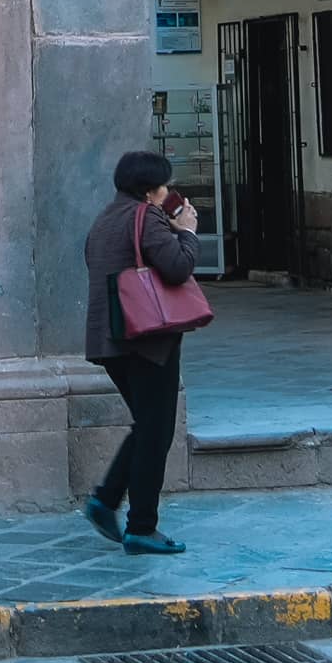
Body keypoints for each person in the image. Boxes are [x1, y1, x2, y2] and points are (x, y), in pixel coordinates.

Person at [81, 149, 202, 554]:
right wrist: (184, 230)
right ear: (150, 190)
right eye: (163, 185)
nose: (168, 191)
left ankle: (106, 500)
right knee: (157, 430)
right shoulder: (146, 216)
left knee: (148, 426)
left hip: (111, 340)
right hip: (149, 340)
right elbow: (178, 267)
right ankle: (141, 527)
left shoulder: (104, 219)